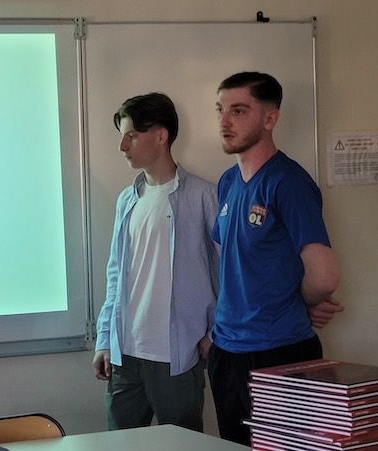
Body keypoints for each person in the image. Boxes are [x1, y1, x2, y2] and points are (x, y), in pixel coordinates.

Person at [209, 72, 344, 445]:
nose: (224, 122)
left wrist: (303, 302)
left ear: (270, 118)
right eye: (220, 110)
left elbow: (325, 276)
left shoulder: (288, 182)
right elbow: (238, 263)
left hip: (279, 351)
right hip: (227, 350)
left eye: (238, 111)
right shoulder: (228, 182)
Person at [92, 93, 219, 432]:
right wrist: (104, 338)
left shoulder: (203, 197)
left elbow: (226, 274)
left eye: (131, 136)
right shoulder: (127, 200)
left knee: (182, 444)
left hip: (178, 356)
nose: (122, 146)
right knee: (120, 444)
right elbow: (116, 275)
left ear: (161, 136)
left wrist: (215, 332)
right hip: (125, 356)